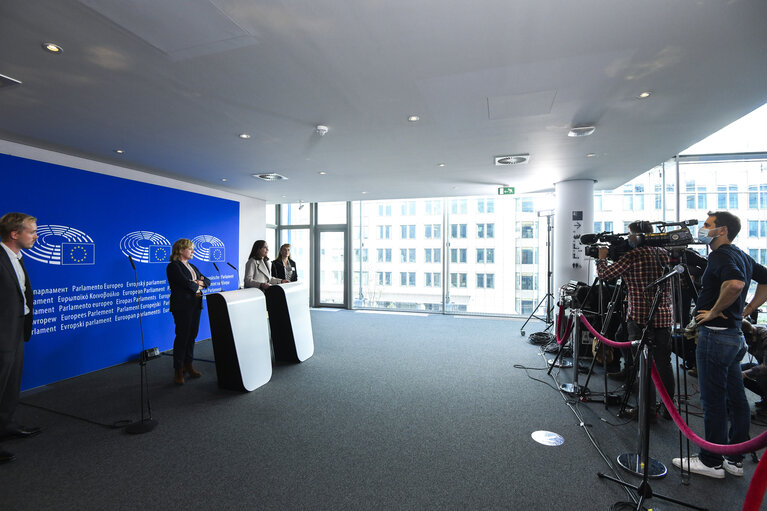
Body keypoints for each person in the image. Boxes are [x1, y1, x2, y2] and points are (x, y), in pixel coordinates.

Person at [673, 211, 767, 479]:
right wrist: (747, 309)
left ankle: (711, 461)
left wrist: (714, 311)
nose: (703, 229)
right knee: (736, 399)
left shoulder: (721, 255)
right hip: (734, 336)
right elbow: (765, 278)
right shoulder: (741, 254)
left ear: (722, 230)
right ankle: (733, 459)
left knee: (713, 401)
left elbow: (736, 284)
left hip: (716, 336)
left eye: (707, 225)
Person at [595, 220, 675, 420]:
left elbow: (605, 275)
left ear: (637, 237)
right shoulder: (664, 254)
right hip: (664, 316)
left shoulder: (634, 255)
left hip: (640, 317)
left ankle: (647, 410)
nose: (627, 239)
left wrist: (602, 257)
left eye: (630, 235)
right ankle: (668, 409)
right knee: (664, 364)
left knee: (644, 365)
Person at [0, 213, 42, 464]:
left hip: (16, 327)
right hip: (2, 330)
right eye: (31, 232)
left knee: (11, 382)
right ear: (15, 234)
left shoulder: (16, 257)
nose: (36, 236)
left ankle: (5, 425)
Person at [166, 239, 210, 385]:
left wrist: (200, 283)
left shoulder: (192, 266)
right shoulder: (173, 266)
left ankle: (188, 365)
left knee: (192, 336)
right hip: (182, 307)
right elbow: (185, 284)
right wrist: (197, 284)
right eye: (190, 249)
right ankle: (178, 370)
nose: (193, 251)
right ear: (180, 250)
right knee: (182, 336)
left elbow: (208, 281)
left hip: (196, 305)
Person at [740, 320, 767, 411]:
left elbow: (766, 366)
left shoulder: (764, 337)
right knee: (736, 370)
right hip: (762, 365)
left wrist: (744, 374)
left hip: (765, 367)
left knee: (759, 375)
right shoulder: (749, 334)